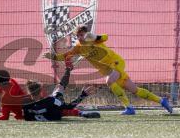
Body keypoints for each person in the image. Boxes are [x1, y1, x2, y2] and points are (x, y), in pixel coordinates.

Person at [43, 25, 173, 115]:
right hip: (109, 70)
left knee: (109, 81)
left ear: (86, 34)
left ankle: (129, 108)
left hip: (116, 63)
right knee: (135, 90)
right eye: (78, 36)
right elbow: (65, 56)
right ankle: (162, 101)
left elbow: (105, 37)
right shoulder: (78, 47)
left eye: (81, 35)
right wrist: (52, 56)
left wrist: (94, 37)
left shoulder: (92, 39)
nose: (80, 38)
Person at [23, 67, 100, 121]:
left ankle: (81, 113)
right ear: (41, 91)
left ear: (28, 91)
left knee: (57, 101)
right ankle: (68, 69)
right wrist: (83, 95)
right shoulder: (50, 100)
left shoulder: (25, 104)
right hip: (55, 115)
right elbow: (69, 107)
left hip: (45, 116)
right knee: (59, 90)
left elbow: (25, 116)